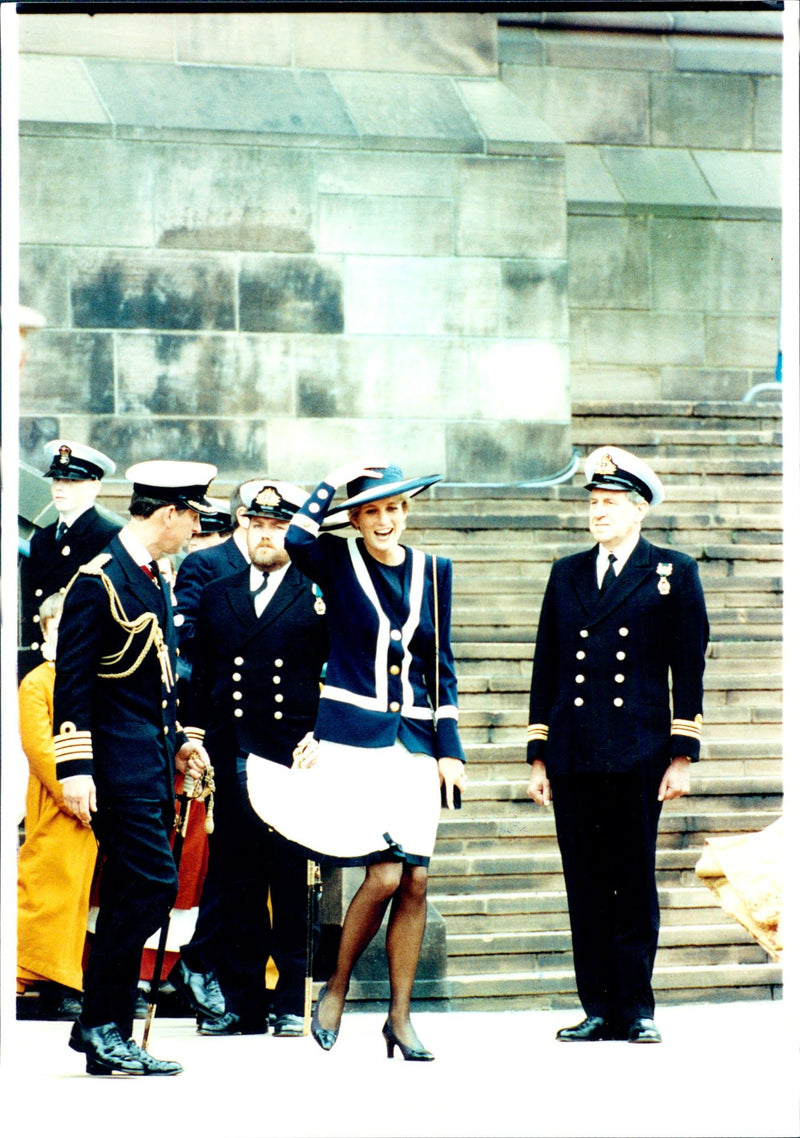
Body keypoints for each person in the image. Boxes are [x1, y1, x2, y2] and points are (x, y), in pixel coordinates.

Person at [245, 461, 466, 1061]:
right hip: (354, 741)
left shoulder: (434, 571)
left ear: (407, 512)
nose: (384, 520)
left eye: (393, 509)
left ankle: (400, 1017)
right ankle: (336, 988)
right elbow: (295, 538)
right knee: (386, 873)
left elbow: (440, 666)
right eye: (371, 511)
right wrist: (335, 479)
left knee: (417, 878)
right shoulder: (338, 562)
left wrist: (451, 750)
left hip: (415, 745)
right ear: (356, 519)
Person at [525, 446, 709, 1045]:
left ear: (638, 512)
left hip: (639, 751)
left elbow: (689, 666)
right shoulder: (567, 572)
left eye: (609, 504)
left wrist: (682, 754)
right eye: (594, 503)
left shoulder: (673, 571)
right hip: (575, 753)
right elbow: (546, 666)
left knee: (631, 879)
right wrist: (539, 756)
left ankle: (637, 1005)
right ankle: (597, 1006)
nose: (597, 513)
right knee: (584, 881)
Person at [53, 459, 217, 1077]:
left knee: (133, 889)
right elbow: (74, 682)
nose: (195, 527)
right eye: (193, 514)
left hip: (149, 760)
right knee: (151, 886)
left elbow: (156, 683)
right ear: (169, 513)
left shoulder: (154, 576)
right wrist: (75, 769)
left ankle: (108, 1034)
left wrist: (176, 741)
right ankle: (99, 1022)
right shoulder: (99, 580)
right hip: (113, 768)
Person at [177, 478, 329, 1037]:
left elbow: (334, 674)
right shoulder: (220, 593)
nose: (266, 535)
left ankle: (290, 999)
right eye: (258, 525)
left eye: (277, 526)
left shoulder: (317, 591)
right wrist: (194, 737)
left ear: (292, 531)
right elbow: (206, 676)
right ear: (245, 526)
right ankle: (242, 1002)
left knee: (289, 879)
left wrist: (325, 734)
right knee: (237, 879)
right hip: (230, 752)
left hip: (290, 756)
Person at [17, 592, 98, 1019]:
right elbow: (39, 748)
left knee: (84, 900)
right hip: (59, 803)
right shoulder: (36, 682)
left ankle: (70, 976)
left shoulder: (87, 675)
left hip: (96, 802)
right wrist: (72, 792)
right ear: (44, 629)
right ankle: (48, 977)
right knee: (51, 891)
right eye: (56, 625)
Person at [19, 439, 120, 677]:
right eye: (56, 479)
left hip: (83, 665)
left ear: (94, 487)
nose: (60, 488)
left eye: (71, 481)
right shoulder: (42, 539)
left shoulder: (108, 537)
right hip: (41, 661)